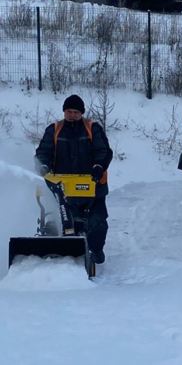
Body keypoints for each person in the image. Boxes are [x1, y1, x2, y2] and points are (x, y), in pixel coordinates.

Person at [35, 94, 113, 264]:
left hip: (92, 185)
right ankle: (56, 252)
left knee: (97, 222)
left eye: (76, 112)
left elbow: (104, 151)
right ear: (64, 112)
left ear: (81, 113)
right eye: (69, 111)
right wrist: (43, 165)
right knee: (57, 221)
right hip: (61, 187)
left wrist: (99, 166)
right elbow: (43, 152)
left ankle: (95, 251)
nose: (72, 115)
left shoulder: (92, 128)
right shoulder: (54, 129)